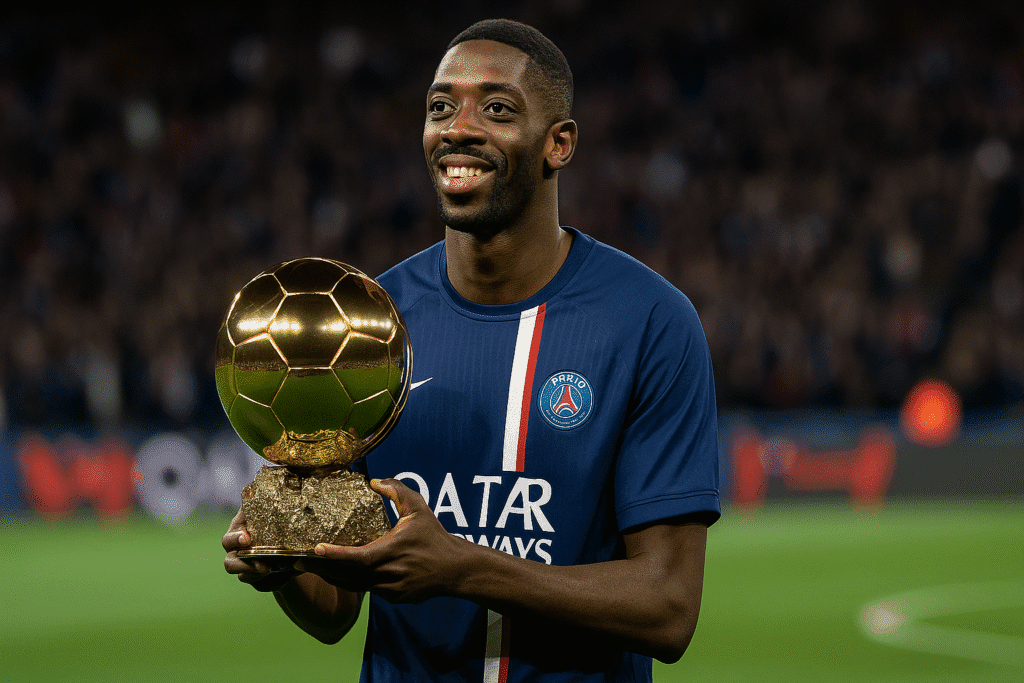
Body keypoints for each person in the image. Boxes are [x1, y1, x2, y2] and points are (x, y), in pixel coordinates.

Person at [223, 18, 721, 682]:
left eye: (496, 108)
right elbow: (336, 608)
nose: (457, 126)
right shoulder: (373, 322)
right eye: (439, 107)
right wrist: (282, 562)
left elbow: (667, 607)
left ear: (559, 144)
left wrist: (462, 566)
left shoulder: (649, 322)